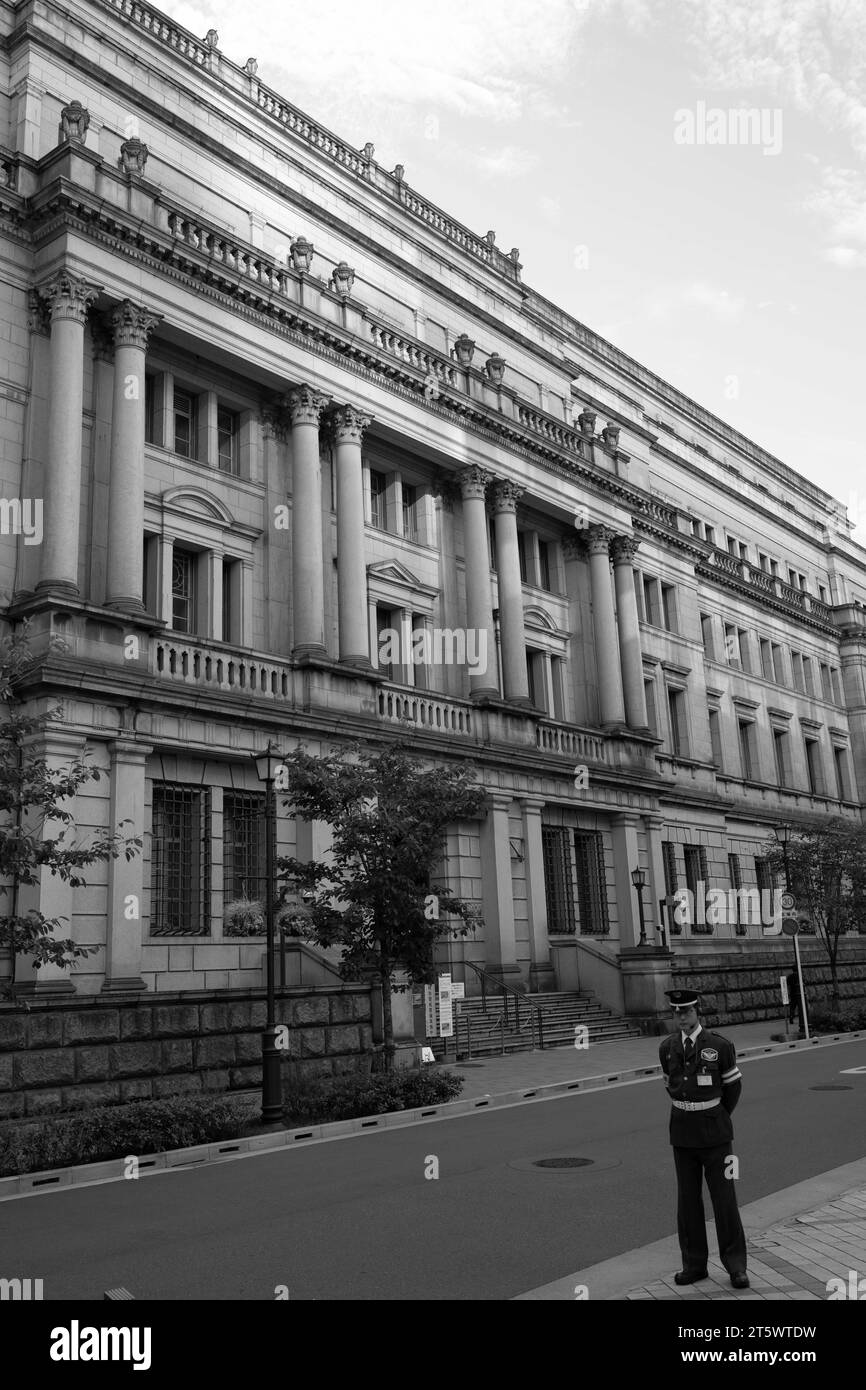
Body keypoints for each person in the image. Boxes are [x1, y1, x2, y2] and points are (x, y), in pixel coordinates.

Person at [659, 989, 749, 1288]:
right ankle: (694, 1265)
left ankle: (736, 1266)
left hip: (715, 1135)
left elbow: (732, 1089)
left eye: (686, 1011)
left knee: (724, 1201)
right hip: (683, 1134)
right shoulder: (667, 1047)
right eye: (677, 1011)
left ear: (698, 1012)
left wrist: (715, 1115)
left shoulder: (719, 1046)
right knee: (688, 1203)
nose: (681, 1016)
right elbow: (670, 1085)